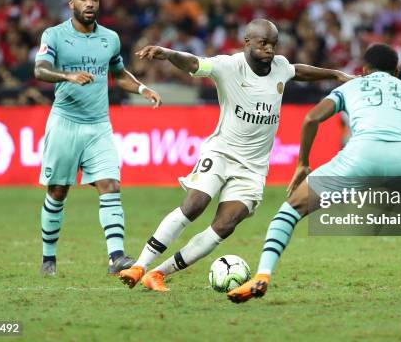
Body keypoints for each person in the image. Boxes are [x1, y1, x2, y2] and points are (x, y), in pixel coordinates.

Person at [228, 43, 401, 304]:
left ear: (363, 70)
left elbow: (312, 118)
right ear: (397, 72)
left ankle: (263, 275)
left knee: (288, 212)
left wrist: (303, 162)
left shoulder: (353, 86)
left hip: (359, 159)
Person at [119, 18, 352, 291]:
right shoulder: (228, 66)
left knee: (225, 225)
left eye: (273, 44)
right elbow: (194, 63)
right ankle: (139, 266)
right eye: (263, 43)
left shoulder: (279, 67)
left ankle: (158, 273)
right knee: (195, 204)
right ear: (247, 43)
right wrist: (169, 54)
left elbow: (298, 71)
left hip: (253, 168)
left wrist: (335, 74)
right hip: (221, 152)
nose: (269, 50)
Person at [34, 0, 162, 276]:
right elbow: (39, 70)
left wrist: (142, 89)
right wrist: (67, 76)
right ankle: (48, 260)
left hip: (98, 125)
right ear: (71, 4)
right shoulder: (54, 35)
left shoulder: (110, 39)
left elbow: (118, 73)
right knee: (57, 191)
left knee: (110, 185)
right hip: (65, 122)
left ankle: (116, 258)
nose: (89, 3)